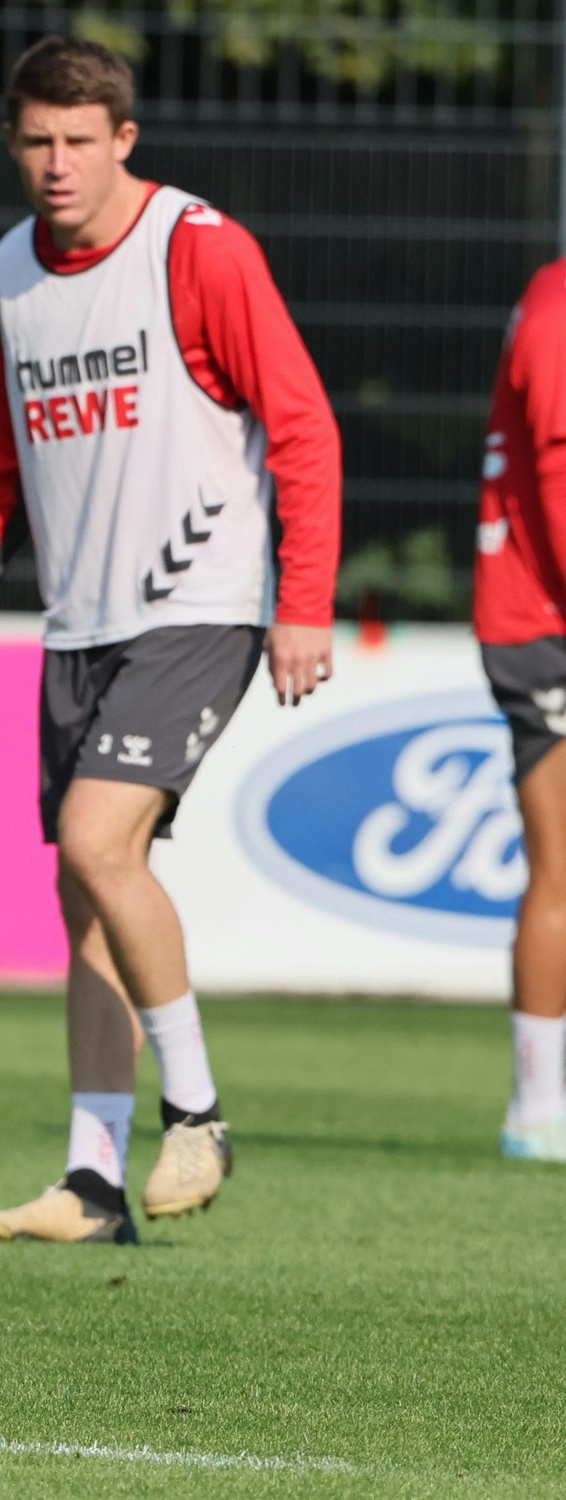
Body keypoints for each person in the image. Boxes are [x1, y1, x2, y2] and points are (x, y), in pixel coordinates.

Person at [0, 36, 341, 1243]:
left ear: (123, 141)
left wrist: (302, 598)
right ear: (12, 145)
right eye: (35, 141)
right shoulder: (8, 269)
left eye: (78, 140)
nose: (56, 163)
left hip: (200, 604)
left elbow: (300, 426)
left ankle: (195, 1112)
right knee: (83, 891)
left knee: (99, 842)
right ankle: (92, 1182)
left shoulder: (195, 247)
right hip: (79, 623)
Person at [476, 260, 566, 1162]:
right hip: (545, 623)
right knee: (560, 865)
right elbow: (558, 479)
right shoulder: (561, 305)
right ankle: (537, 1112)